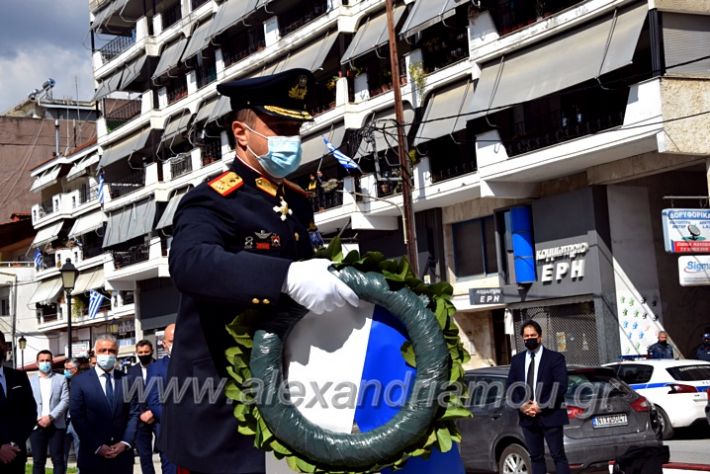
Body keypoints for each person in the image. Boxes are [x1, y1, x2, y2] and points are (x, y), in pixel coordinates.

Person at [162, 68, 359, 474]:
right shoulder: (214, 200)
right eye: (280, 127)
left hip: (293, 400)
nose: (291, 140)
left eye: (296, 130)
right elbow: (190, 264)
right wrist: (284, 277)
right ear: (241, 134)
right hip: (221, 415)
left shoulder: (299, 202)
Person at [506, 320, 570, 474]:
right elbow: (510, 386)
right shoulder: (517, 360)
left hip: (551, 415)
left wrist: (541, 406)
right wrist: (522, 406)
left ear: (540, 337)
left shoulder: (555, 358)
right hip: (527, 417)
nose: (530, 338)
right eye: (526, 336)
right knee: (535, 457)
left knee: (558, 456)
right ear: (522, 338)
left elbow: (560, 385)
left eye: (533, 335)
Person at [69, 335, 139, 474]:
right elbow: (78, 416)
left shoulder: (128, 380)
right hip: (92, 457)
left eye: (111, 351)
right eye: (103, 350)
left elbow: (134, 413)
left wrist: (125, 443)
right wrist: (97, 446)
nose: (107, 354)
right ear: (95, 353)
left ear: (117, 353)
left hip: (122, 458)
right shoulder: (79, 382)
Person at [0, 332, 36, 474]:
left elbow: (30, 412)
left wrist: (14, 443)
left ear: (4, 348)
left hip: (15, 454)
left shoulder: (18, 377)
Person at [29, 350, 70, 474]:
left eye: (47, 360)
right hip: (37, 425)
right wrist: (36, 418)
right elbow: (27, 402)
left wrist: (51, 416)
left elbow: (65, 399)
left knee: (58, 460)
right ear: (37, 363)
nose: (45, 363)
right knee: (38, 461)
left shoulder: (61, 379)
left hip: (56, 424)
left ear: (52, 362)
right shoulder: (30, 381)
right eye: (42, 360)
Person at [146, 324, 176, 474]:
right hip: (169, 432)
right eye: (171, 341)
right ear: (164, 344)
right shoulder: (156, 368)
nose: (176, 345)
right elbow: (154, 401)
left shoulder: (197, 366)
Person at [127, 340, 157, 474]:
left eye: (146, 352)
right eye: (140, 352)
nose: (143, 354)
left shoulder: (161, 367)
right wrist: (141, 413)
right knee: (145, 457)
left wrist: (154, 411)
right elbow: (130, 397)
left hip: (159, 416)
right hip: (140, 419)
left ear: (152, 352)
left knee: (166, 453)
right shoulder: (131, 371)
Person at [63, 358, 84, 472]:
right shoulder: (63, 381)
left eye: (67, 369)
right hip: (64, 421)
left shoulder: (83, 382)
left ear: (75, 369)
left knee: (80, 450)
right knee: (62, 451)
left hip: (78, 421)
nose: (65, 371)